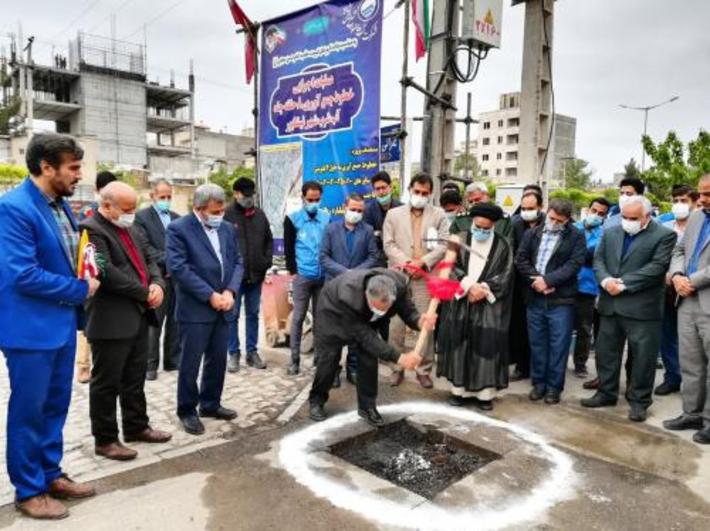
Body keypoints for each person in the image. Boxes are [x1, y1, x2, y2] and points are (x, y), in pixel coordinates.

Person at [0, 133, 99, 519]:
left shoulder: (60, 205)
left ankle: (50, 472)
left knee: (55, 406)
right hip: (30, 330)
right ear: (46, 167)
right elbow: (21, 274)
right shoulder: (14, 208)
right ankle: (29, 490)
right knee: (29, 410)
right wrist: (79, 289)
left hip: (59, 324)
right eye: (72, 168)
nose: (79, 175)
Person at [82, 182, 172, 461]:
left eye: (134, 208)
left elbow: (150, 259)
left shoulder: (132, 228)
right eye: (127, 208)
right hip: (110, 319)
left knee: (134, 377)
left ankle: (136, 426)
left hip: (138, 315)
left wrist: (157, 284)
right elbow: (105, 271)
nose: (132, 213)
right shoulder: (92, 229)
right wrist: (144, 292)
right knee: (106, 383)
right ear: (106, 205)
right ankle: (106, 439)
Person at [581, 196, 675, 422]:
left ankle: (640, 401)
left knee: (643, 358)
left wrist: (622, 284)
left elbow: (657, 267)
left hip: (642, 308)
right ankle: (606, 392)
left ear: (647, 216)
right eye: (624, 216)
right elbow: (599, 260)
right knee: (606, 352)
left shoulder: (664, 235)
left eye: (633, 218)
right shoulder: (611, 232)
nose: (628, 221)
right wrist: (605, 281)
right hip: (610, 304)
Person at [308, 270, 436, 426]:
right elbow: (366, 337)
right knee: (329, 359)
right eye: (376, 308)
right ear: (366, 294)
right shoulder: (347, 297)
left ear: (393, 296)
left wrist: (419, 322)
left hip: (365, 318)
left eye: (384, 309)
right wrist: (400, 358)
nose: (380, 312)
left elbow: (408, 311)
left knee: (369, 358)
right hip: (332, 314)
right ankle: (316, 399)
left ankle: (367, 407)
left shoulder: (399, 286)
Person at [166, 184, 244, 435]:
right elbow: (179, 268)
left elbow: (238, 261)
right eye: (214, 211)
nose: (219, 214)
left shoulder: (227, 229)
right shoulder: (179, 229)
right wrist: (209, 295)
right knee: (190, 362)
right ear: (198, 209)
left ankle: (210, 403)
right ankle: (187, 410)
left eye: (222, 210)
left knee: (218, 359)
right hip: (196, 309)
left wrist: (230, 291)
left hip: (225, 304)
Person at [437, 203, 514, 411]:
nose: (481, 231)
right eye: (477, 227)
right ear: (472, 222)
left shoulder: (503, 245)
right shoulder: (459, 240)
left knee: (485, 346)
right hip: (461, 299)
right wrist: (469, 286)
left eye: (486, 229)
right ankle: (458, 392)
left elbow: (506, 274)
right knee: (460, 344)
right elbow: (450, 266)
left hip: (487, 302)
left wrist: (484, 289)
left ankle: (484, 395)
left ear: (493, 226)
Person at [515, 199, 586, 404]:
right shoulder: (533, 233)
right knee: (537, 343)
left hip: (561, 300)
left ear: (567, 220)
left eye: (559, 221)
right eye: (551, 218)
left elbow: (574, 265)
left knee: (558, 345)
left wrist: (548, 280)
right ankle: (539, 384)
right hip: (534, 296)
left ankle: (554, 387)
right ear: (547, 213)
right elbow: (521, 260)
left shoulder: (576, 236)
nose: (554, 223)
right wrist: (538, 280)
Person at [383, 173, 449, 388]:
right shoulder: (393, 214)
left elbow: (444, 244)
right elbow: (388, 244)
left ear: (430, 194)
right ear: (409, 189)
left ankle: (423, 368)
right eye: (417, 191)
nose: (420, 196)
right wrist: (408, 262)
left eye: (425, 193)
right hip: (399, 275)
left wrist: (424, 263)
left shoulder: (438, 215)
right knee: (396, 324)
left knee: (425, 323)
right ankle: (397, 367)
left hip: (425, 277)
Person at [665, 174, 710, 443]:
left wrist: (690, 281)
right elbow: (679, 249)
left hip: (705, 297)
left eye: (708, 194)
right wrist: (677, 275)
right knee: (690, 361)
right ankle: (691, 413)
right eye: (702, 194)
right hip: (686, 300)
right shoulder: (696, 217)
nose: (702, 199)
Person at [320, 192, 379, 386]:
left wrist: (355, 273)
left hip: (358, 288)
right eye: (353, 209)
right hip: (334, 289)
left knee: (356, 331)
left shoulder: (368, 230)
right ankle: (333, 371)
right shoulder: (331, 229)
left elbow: (373, 257)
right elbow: (324, 257)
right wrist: (344, 272)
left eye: (359, 211)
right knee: (334, 333)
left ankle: (353, 368)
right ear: (345, 207)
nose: (356, 213)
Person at [224, 177, 273, 373]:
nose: (249, 199)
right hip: (234, 278)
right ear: (236, 194)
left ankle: (252, 352)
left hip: (256, 275)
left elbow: (268, 240)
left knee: (253, 314)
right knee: (232, 315)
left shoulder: (260, 215)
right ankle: (233, 353)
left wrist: (265, 261)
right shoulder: (226, 215)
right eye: (245, 195)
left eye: (251, 195)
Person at [135, 179, 181, 381]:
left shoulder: (177, 218)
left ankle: (172, 360)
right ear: (153, 196)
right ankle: (150, 365)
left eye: (169, 196)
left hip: (177, 279)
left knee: (175, 320)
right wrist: (171, 263)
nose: (166, 200)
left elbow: (183, 247)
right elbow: (146, 249)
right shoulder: (142, 218)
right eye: (162, 196)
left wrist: (177, 265)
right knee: (154, 323)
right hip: (156, 278)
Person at [284, 181, 331, 375]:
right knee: (298, 317)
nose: (313, 203)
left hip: (323, 277)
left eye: (317, 199)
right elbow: (288, 248)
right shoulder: (293, 219)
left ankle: (319, 358)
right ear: (303, 198)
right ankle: (294, 360)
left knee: (321, 319)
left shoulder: (327, 218)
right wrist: (293, 271)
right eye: (310, 199)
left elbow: (330, 245)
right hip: (302, 276)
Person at [75, 170, 118, 384]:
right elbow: (87, 247)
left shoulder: (118, 211)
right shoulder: (88, 213)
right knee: (88, 321)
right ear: (97, 191)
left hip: (111, 276)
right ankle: (83, 366)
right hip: (91, 274)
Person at [655, 185, 699, 395]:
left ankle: (694, 386)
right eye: (675, 200)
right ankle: (672, 377)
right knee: (667, 334)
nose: (679, 205)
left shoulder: (700, 226)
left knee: (691, 339)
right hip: (665, 289)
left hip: (692, 288)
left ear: (693, 202)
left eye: (683, 200)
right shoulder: (663, 225)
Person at [572, 197, 611, 378]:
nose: (596, 215)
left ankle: (580, 363)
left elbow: (593, 256)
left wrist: (579, 256)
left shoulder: (605, 234)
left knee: (584, 327)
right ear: (587, 210)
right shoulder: (573, 228)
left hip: (588, 286)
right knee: (560, 325)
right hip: (566, 284)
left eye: (601, 213)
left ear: (605, 216)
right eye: (594, 211)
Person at [509, 190, 545, 381]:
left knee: (539, 330)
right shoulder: (515, 223)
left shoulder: (549, 223)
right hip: (518, 284)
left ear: (540, 207)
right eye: (523, 208)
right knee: (519, 327)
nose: (526, 212)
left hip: (543, 284)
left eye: (531, 208)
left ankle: (539, 369)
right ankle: (521, 366)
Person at [363, 170, 402, 268]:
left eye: (383, 187)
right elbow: (369, 239)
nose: (381, 192)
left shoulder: (402, 208)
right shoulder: (368, 211)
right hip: (377, 261)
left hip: (400, 259)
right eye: (377, 189)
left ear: (390, 187)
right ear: (374, 191)